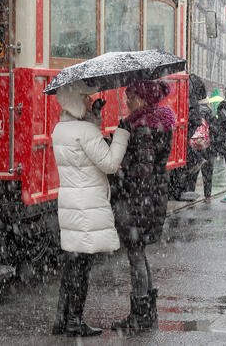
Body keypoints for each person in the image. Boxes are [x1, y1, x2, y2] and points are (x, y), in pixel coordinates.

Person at [50, 81, 129, 337]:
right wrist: (121, 135)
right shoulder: (85, 132)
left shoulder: (60, 130)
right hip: (87, 205)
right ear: (74, 100)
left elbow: (82, 152)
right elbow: (109, 163)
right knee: (82, 266)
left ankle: (62, 319)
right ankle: (75, 321)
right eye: (85, 98)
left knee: (72, 262)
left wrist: (93, 117)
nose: (88, 101)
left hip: (71, 203)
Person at [110, 80, 175, 333]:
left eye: (131, 97)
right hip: (152, 197)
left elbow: (143, 168)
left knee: (135, 254)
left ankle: (139, 316)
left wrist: (120, 161)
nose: (127, 101)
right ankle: (147, 313)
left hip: (140, 200)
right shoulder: (159, 121)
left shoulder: (143, 127)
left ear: (144, 100)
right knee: (140, 253)